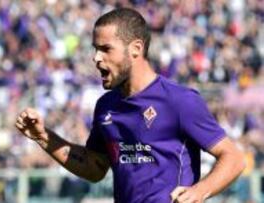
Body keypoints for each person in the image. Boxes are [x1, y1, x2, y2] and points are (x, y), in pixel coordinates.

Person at [15, 8, 245, 203]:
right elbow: (94, 167)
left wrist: (198, 192)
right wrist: (43, 137)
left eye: (105, 49)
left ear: (135, 48)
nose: (96, 58)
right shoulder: (106, 106)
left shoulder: (179, 100)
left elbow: (233, 158)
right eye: (95, 49)